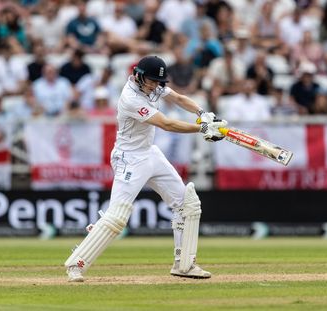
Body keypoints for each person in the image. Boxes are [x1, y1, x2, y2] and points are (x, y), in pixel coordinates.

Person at [64, 55, 227, 282]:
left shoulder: (154, 87)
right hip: (129, 158)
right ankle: (75, 263)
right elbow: (166, 124)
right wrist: (202, 130)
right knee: (117, 217)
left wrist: (203, 113)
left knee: (188, 204)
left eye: (158, 82)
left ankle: (185, 265)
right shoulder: (130, 98)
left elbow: (179, 98)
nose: (155, 86)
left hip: (150, 153)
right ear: (139, 76)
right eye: (151, 81)